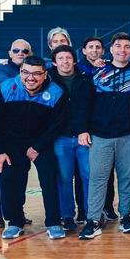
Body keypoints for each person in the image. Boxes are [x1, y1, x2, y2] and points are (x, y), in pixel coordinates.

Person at [0, 55, 67, 240]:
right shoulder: (6, 88)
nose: (30, 78)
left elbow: (58, 124)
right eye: (26, 72)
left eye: (36, 74)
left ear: (45, 74)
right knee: (9, 179)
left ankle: (53, 222)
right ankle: (15, 222)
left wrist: (37, 147)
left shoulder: (56, 92)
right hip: (11, 142)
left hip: (41, 142)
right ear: (20, 72)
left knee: (49, 178)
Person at [78, 32, 130, 240]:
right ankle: (93, 220)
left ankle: (125, 216)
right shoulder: (96, 72)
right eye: (118, 46)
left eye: (127, 47)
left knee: (127, 177)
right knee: (98, 178)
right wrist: (82, 129)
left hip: (128, 135)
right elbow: (84, 103)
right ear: (111, 49)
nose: (122, 50)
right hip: (100, 135)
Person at [49, 45, 95, 231]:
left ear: (74, 60)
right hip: (61, 137)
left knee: (88, 177)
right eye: (61, 58)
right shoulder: (48, 80)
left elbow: (91, 107)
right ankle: (67, 215)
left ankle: (91, 214)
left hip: (84, 137)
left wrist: (86, 129)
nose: (65, 61)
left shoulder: (85, 79)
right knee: (64, 178)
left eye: (68, 58)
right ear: (54, 62)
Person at [0, 38, 32, 228]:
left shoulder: (34, 67)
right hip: (5, 131)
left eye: (25, 51)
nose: (20, 53)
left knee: (21, 171)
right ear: (9, 53)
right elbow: (6, 85)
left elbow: (51, 63)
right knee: (0, 169)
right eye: (16, 50)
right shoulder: (0, 68)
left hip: (27, 130)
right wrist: (31, 78)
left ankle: (16, 210)